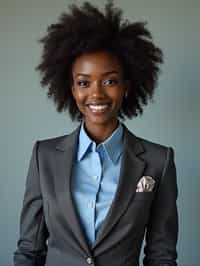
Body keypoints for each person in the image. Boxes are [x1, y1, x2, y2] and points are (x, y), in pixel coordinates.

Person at [14, 1, 178, 266]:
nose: (97, 93)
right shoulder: (43, 156)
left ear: (127, 86)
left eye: (110, 81)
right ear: (71, 89)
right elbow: (29, 251)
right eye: (84, 82)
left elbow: (161, 255)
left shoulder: (159, 161)